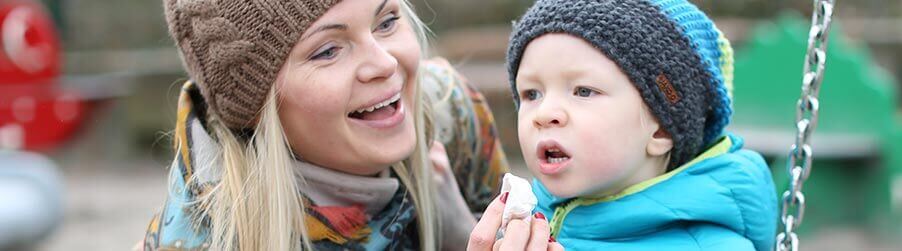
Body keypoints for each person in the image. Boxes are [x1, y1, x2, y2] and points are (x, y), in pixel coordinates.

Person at [144, 0, 508, 250]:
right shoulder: (210, 240)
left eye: (387, 22)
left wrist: (471, 232)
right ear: (256, 107)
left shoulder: (451, 114)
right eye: (328, 51)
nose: (384, 64)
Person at [471, 0, 778, 250]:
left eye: (583, 91)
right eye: (531, 94)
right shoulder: (527, 227)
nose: (544, 113)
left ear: (661, 130)